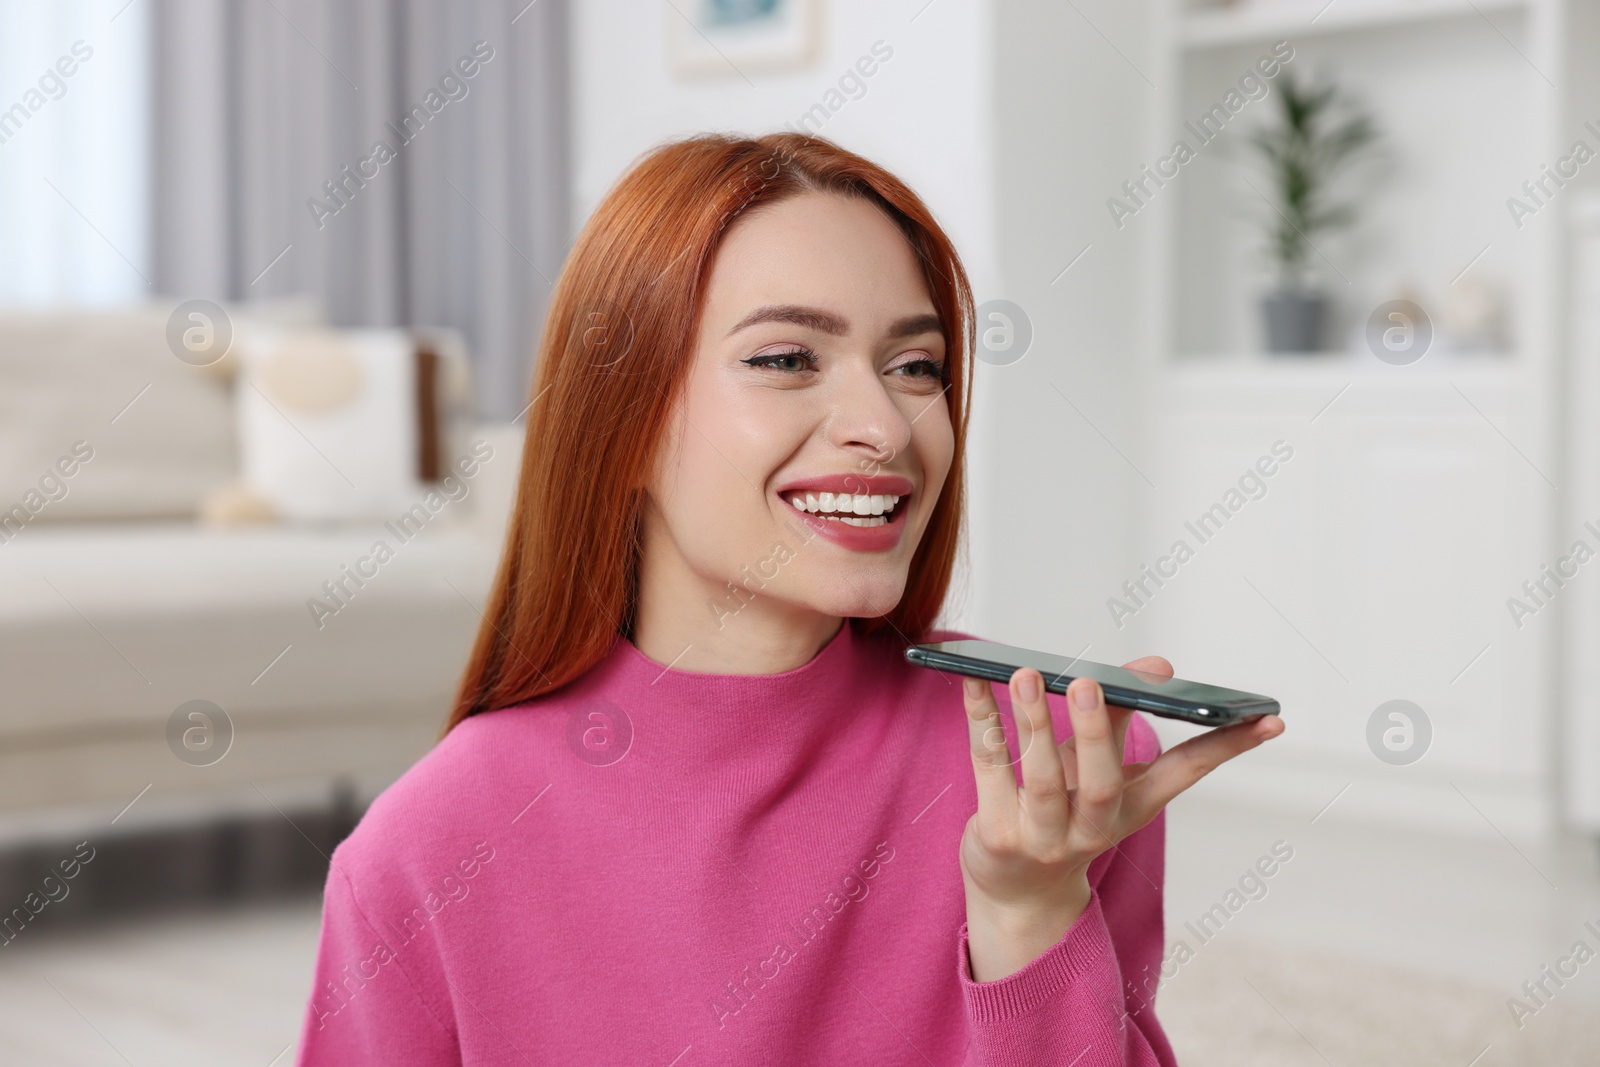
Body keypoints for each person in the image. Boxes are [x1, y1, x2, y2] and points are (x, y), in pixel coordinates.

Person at [293, 131, 1284, 1066]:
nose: (884, 427)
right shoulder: (424, 853)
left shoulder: (1055, 778)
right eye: (786, 359)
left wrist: (1031, 915)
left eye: (915, 366)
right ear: (622, 417)